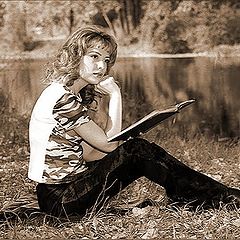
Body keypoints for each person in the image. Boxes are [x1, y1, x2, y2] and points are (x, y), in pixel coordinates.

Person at [28, 25, 240, 218]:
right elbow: (109, 145)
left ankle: (203, 194)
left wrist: (124, 146)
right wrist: (116, 96)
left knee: (136, 151)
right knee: (137, 150)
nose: (102, 66)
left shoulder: (63, 93)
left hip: (64, 193)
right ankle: (218, 196)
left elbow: (92, 153)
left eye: (107, 60)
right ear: (75, 55)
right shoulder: (63, 99)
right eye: (94, 57)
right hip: (62, 200)